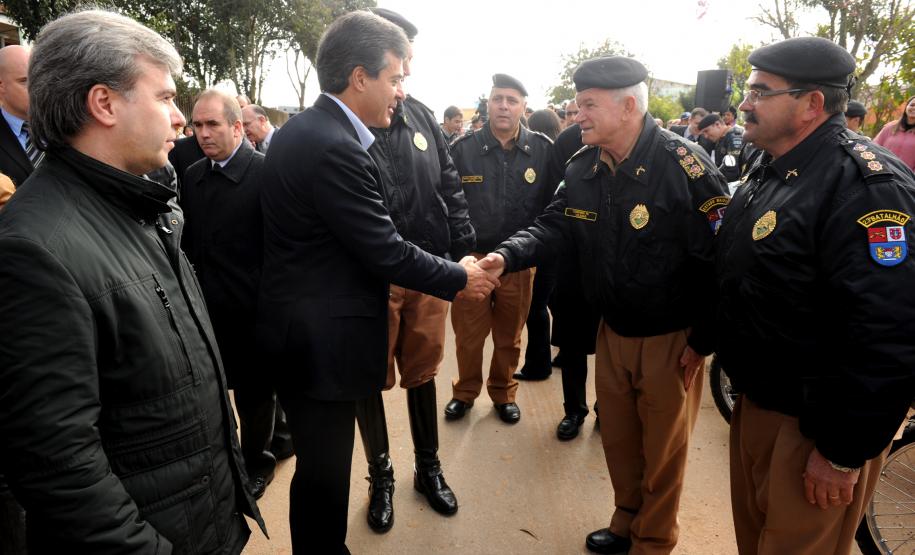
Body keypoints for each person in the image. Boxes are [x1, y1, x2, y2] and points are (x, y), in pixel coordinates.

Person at [0, 10, 265, 553]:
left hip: (206, 521)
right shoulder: (34, 250)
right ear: (104, 103)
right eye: (165, 98)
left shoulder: (146, 206)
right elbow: (60, 468)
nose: (180, 120)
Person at [257, 11, 496, 553]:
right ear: (360, 77)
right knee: (325, 475)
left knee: (320, 471)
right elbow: (383, 248)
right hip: (322, 344)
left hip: (304, 332)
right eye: (394, 78)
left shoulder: (307, 131)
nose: (400, 92)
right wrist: (460, 275)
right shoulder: (336, 146)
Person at [478, 56, 729, 554]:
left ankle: (653, 540)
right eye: (577, 104)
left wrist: (703, 339)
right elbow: (554, 223)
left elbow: (722, 259)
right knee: (618, 438)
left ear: (628, 105)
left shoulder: (687, 167)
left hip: (669, 338)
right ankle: (625, 521)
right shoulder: (584, 166)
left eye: (588, 105)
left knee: (662, 452)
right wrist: (507, 255)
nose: (578, 114)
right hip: (611, 330)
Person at [715, 36, 915, 555]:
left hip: (815, 431)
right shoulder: (773, 167)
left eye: (761, 91)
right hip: (759, 402)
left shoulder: (867, 187)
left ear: (812, 104)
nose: (744, 104)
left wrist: (843, 454)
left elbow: (889, 335)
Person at [349, 6, 476, 533]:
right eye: (400, 64)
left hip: (426, 275)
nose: (407, 76)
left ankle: (428, 468)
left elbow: (449, 186)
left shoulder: (422, 116)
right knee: (368, 380)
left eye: (408, 63)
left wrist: (463, 248)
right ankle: (380, 476)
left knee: (423, 373)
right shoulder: (346, 124)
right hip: (368, 282)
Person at [180, 90, 277, 500]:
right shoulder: (192, 176)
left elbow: (280, 250)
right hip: (206, 310)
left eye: (212, 125)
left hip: (254, 313)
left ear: (238, 127)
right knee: (215, 392)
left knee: (256, 398)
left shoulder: (267, 175)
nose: (203, 134)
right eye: (197, 125)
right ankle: (229, 459)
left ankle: (259, 462)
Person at [444, 73, 558, 424]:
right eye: (498, 99)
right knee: (468, 336)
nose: (504, 106)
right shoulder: (462, 150)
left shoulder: (543, 150)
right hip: (473, 261)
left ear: (524, 106)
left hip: (519, 263)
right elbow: (446, 202)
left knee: (510, 336)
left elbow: (553, 207)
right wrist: (458, 257)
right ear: (488, 104)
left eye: (511, 100)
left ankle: (503, 392)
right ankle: (464, 392)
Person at [515, 106, 563, 382]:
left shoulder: (542, 155)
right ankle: (562, 351)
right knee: (550, 303)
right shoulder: (560, 151)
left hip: (543, 239)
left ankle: (538, 363)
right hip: (555, 240)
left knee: (536, 306)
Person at [0, 45, 37, 189]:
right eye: (25, 81)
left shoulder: (64, 123)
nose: (37, 87)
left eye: (38, 78)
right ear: (1, 86)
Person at [697, 113, 745, 182]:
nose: (706, 136)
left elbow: (732, 169)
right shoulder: (721, 137)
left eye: (706, 131)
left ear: (717, 124)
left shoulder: (734, 137)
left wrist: (712, 181)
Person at [874, 95, 915, 170]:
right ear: (906, 107)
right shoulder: (890, 127)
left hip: (906, 179)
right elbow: (874, 147)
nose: (914, 108)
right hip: (881, 174)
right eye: (912, 105)